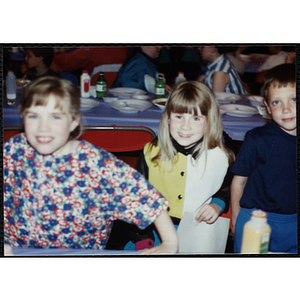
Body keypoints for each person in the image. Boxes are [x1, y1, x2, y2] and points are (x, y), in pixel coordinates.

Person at [3, 76, 178, 255]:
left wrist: (170, 242)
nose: (43, 127)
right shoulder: (14, 150)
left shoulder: (94, 163)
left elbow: (148, 200)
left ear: (73, 121)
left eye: (55, 117)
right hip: (20, 251)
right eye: (33, 116)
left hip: (78, 256)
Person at [123, 81, 235, 250]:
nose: (185, 126)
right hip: (154, 232)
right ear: (168, 118)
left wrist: (216, 205)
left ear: (209, 122)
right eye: (179, 116)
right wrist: (143, 239)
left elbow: (225, 186)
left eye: (196, 118)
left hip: (198, 231)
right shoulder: (151, 153)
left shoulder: (220, 156)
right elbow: (138, 198)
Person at [230, 64, 297, 253]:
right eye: (277, 102)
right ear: (267, 107)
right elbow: (238, 183)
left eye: (293, 99)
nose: (286, 109)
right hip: (256, 220)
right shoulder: (257, 139)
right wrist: (236, 221)